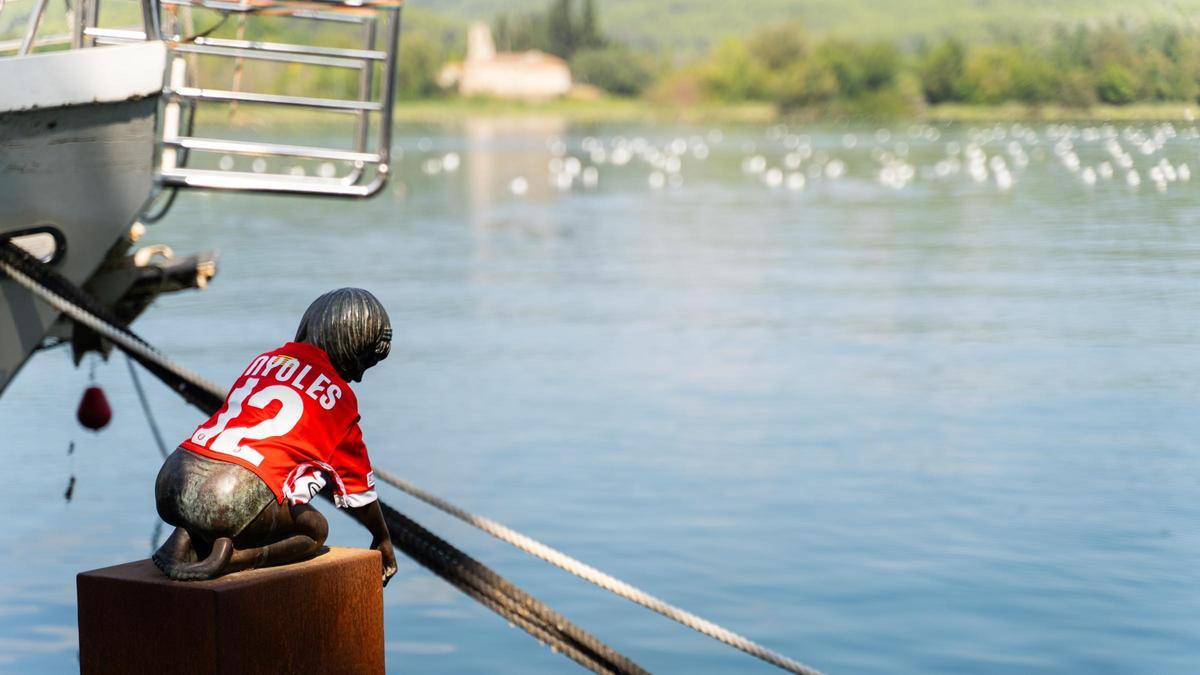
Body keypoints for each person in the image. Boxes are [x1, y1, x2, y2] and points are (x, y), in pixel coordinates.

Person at [152, 288, 398, 585]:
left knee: (220, 506)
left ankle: (186, 532)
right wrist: (381, 538)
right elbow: (358, 490)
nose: (358, 378)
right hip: (231, 496)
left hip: (171, 480)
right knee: (315, 529)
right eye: (362, 363)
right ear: (349, 345)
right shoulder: (340, 398)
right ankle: (234, 559)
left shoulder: (266, 360)